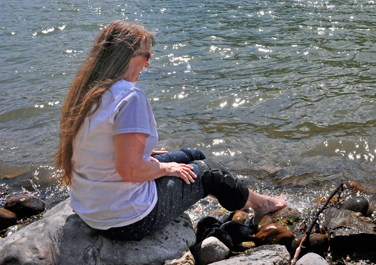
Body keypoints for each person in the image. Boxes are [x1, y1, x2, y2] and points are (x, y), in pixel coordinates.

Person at [55, 20, 286, 241]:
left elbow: (99, 148)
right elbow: (130, 171)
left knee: (193, 156)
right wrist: (165, 167)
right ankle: (260, 204)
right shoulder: (129, 97)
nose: (148, 63)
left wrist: (146, 157)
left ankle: (224, 197)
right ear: (124, 57)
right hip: (127, 219)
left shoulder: (89, 94)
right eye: (146, 55)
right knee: (212, 172)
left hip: (91, 208)